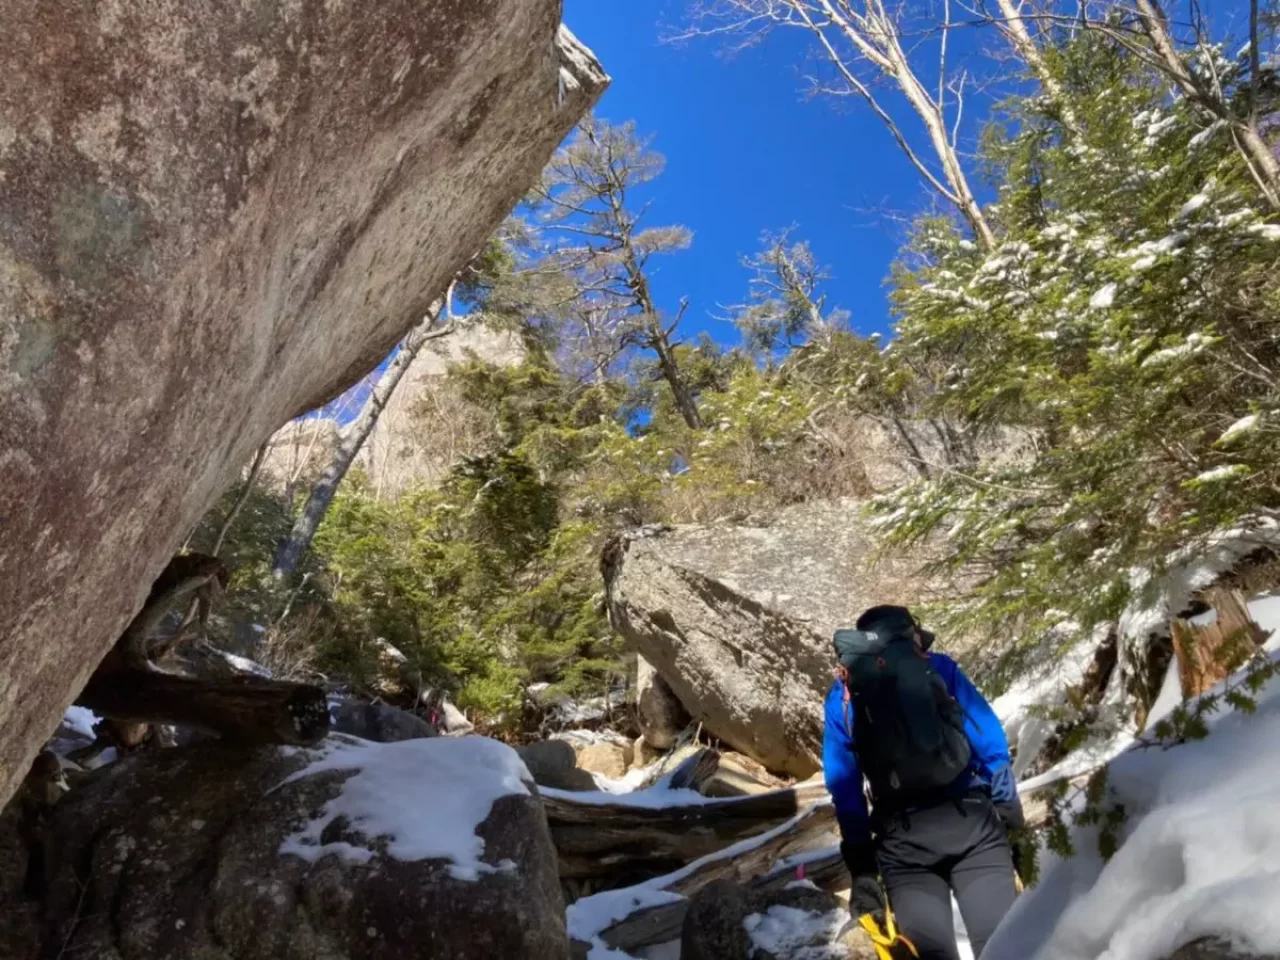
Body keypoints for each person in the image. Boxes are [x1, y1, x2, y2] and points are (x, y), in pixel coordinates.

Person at [824, 605, 1023, 960]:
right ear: (910, 634)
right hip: (973, 827)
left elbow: (844, 786)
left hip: (904, 846)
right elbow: (990, 742)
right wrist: (1011, 818)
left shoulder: (844, 695)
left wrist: (862, 869)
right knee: (1005, 948)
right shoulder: (938, 667)